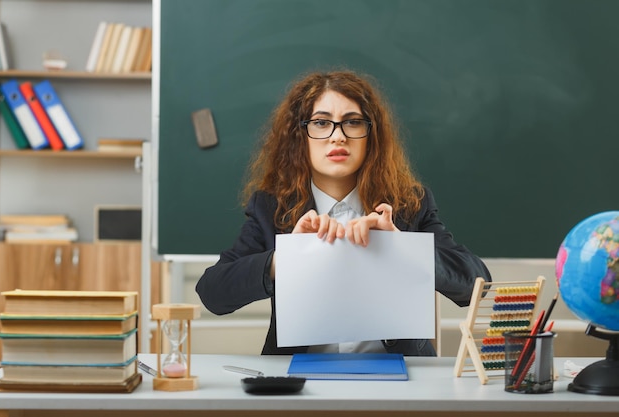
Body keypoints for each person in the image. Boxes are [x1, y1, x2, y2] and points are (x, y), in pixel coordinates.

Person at [196, 69, 492, 356]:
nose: (338, 137)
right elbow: (213, 293)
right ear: (301, 137)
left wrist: (401, 246)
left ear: (371, 136)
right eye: (322, 123)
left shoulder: (409, 204)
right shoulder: (271, 208)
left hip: (402, 381)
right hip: (300, 383)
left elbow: (476, 285)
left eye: (353, 123)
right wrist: (285, 258)